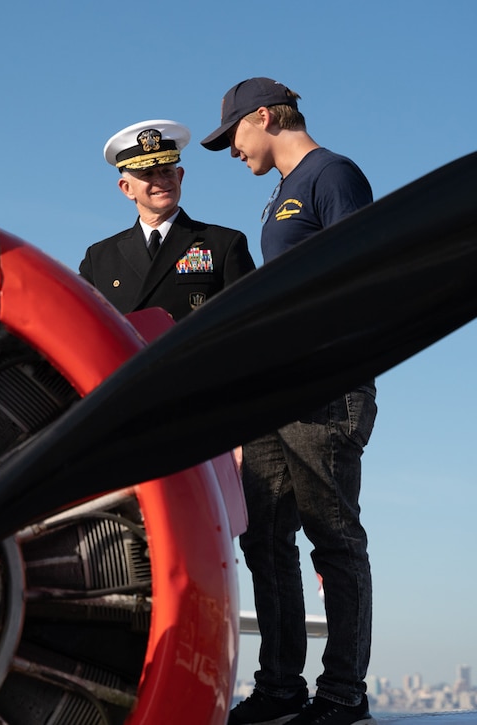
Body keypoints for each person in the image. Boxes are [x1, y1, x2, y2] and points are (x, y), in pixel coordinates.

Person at [202, 78, 378, 725]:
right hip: (277, 396)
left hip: (327, 389)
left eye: (233, 137)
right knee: (266, 540)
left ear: (265, 117)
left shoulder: (332, 175)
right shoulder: (280, 194)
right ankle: (281, 687)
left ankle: (343, 695)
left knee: (333, 539)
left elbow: (367, 275)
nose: (230, 151)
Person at [79, 119, 255, 322]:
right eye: (148, 174)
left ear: (180, 176)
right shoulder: (100, 258)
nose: (161, 182)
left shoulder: (224, 245)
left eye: (167, 171)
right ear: (126, 188)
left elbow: (247, 319)